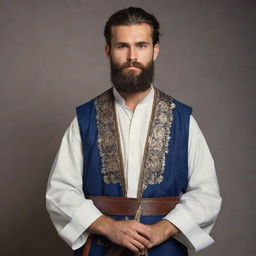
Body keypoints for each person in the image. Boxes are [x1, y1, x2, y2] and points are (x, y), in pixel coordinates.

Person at [46, 7, 221, 256]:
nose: (132, 56)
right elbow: (60, 191)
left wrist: (166, 227)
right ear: (108, 51)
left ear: (155, 50)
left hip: (165, 249)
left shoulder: (183, 119)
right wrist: (107, 226)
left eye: (141, 45)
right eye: (122, 46)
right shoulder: (85, 118)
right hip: (101, 248)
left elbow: (207, 194)